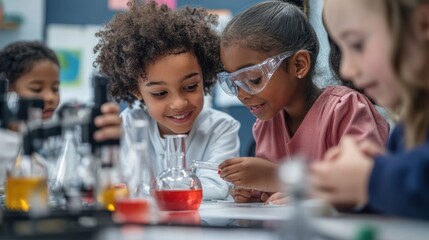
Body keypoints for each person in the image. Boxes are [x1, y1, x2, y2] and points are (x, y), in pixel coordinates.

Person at [216, 1, 389, 203]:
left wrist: (279, 179)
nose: (242, 95)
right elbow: (272, 195)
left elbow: (366, 184)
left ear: (299, 65)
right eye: (234, 83)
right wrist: (251, 189)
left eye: (253, 79)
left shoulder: (345, 109)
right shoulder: (265, 126)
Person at [94, 0, 240, 200]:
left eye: (190, 87)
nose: (179, 103)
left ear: (204, 76)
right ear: (136, 90)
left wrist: (150, 188)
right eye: (160, 93)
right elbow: (120, 185)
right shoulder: (128, 125)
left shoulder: (222, 128)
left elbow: (216, 187)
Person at [311, 0, 429, 220]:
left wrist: (372, 178)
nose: (346, 69)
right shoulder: (407, 129)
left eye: (357, 45)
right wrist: (354, 192)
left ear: (423, 24)